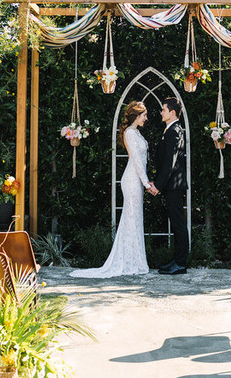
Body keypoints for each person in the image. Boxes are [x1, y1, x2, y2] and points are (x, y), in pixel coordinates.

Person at [69, 100, 156, 278]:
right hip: (132, 180)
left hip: (136, 180)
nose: (146, 118)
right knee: (131, 219)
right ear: (137, 116)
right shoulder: (130, 133)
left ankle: (135, 261)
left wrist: (145, 182)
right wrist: (147, 182)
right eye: (144, 115)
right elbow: (137, 162)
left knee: (134, 219)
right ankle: (129, 262)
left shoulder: (136, 132)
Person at [149, 97, 189, 275]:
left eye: (163, 110)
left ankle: (180, 263)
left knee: (179, 224)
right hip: (171, 186)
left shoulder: (175, 131)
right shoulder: (171, 129)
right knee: (176, 223)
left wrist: (158, 185)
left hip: (174, 186)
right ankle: (177, 260)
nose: (161, 112)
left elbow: (170, 163)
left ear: (172, 112)